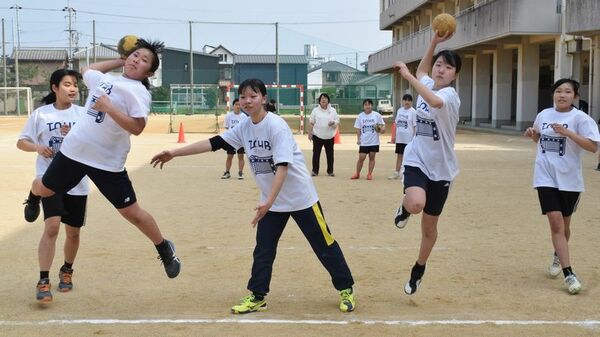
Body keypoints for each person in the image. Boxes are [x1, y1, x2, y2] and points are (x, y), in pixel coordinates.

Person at [151, 78, 356, 314]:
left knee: (324, 244)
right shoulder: (244, 127)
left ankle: (346, 288)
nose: (247, 101)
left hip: (301, 198)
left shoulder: (276, 126)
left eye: (253, 96)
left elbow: (283, 167)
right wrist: (175, 152)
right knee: (263, 249)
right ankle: (258, 296)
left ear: (264, 99)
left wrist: (267, 201)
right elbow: (214, 142)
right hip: (272, 202)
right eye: (244, 97)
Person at [26, 38, 181, 280]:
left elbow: (138, 127)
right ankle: (32, 197)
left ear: (149, 72)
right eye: (134, 55)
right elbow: (88, 70)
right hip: (74, 152)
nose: (136, 60)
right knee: (44, 188)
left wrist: (110, 108)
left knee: (132, 213)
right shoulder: (106, 79)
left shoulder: (138, 92)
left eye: (143, 60)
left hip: (107, 162)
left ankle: (164, 247)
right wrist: (120, 59)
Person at [392, 31, 461, 296]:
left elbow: (433, 100)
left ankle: (419, 268)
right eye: (439, 64)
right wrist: (433, 42)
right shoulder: (428, 80)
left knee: (430, 229)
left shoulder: (450, 96)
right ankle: (405, 206)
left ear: (455, 75)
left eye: (448, 67)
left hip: (442, 169)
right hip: (416, 158)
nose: (441, 69)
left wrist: (409, 77)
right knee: (416, 203)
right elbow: (422, 70)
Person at [18, 69, 89, 303]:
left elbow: (92, 145)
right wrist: (38, 148)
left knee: (74, 233)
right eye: (67, 84)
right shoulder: (41, 115)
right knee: (52, 228)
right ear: (54, 88)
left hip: (77, 181)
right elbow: (22, 142)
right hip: (50, 178)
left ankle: (67, 270)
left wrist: (74, 135)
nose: (73, 89)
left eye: (75, 85)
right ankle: (43, 279)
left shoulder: (83, 114)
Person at [524, 78, 600, 294]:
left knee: (564, 225)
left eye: (567, 91)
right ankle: (569, 273)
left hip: (569, 180)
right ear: (553, 94)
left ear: (575, 96)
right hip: (545, 176)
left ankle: (558, 253)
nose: (562, 95)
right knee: (556, 223)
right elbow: (540, 138)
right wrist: (533, 134)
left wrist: (568, 133)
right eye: (558, 91)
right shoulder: (544, 115)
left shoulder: (581, 118)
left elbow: (593, 147)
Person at [350, 99, 385, 180]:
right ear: (363, 106)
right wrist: (358, 139)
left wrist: (382, 129)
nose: (367, 106)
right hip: (364, 141)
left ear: (372, 106)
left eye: (369, 104)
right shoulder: (360, 116)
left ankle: (369, 174)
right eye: (366, 104)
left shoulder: (377, 115)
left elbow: (383, 125)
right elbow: (358, 129)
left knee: (372, 158)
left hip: (374, 141)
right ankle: (357, 173)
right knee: (361, 158)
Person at [308, 93, 339, 176]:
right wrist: (310, 133)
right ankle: (315, 171)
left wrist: (333, 123)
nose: (323, 100)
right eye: (322, 98)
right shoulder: (315, 111)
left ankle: (330, 171)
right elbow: (311, 122)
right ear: (319, 101)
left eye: (325, 98)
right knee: (316, 154)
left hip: (329, 136)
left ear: (328, 100)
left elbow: (337, 121)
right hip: (317, 136)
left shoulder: (333, 110)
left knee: (330, 155)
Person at [388, 94, 417, 180]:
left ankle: (407, 173)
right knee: (399, 155)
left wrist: (415, 138)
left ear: (411, 102)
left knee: (408, 156)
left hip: (409, 139)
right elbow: (396, 124)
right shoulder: (400, 110)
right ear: (402, 101)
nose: (406, 102)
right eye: (405, 100)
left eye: (409, 100)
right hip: (400, 138)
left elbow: (415, 126)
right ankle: (396, 173)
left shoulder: (413, 112)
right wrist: (394, 136)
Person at [221, 99, 248, 179]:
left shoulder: (244, 117)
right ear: (233, 106)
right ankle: (227, 172)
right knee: (229, 156)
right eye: (236, 104)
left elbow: (246, 128)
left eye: (239, 105)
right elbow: (226, 127)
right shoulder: (229, 116)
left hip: (240, 140)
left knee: (240, 156)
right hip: (231, 140)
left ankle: (240, 172)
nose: (238, 106)